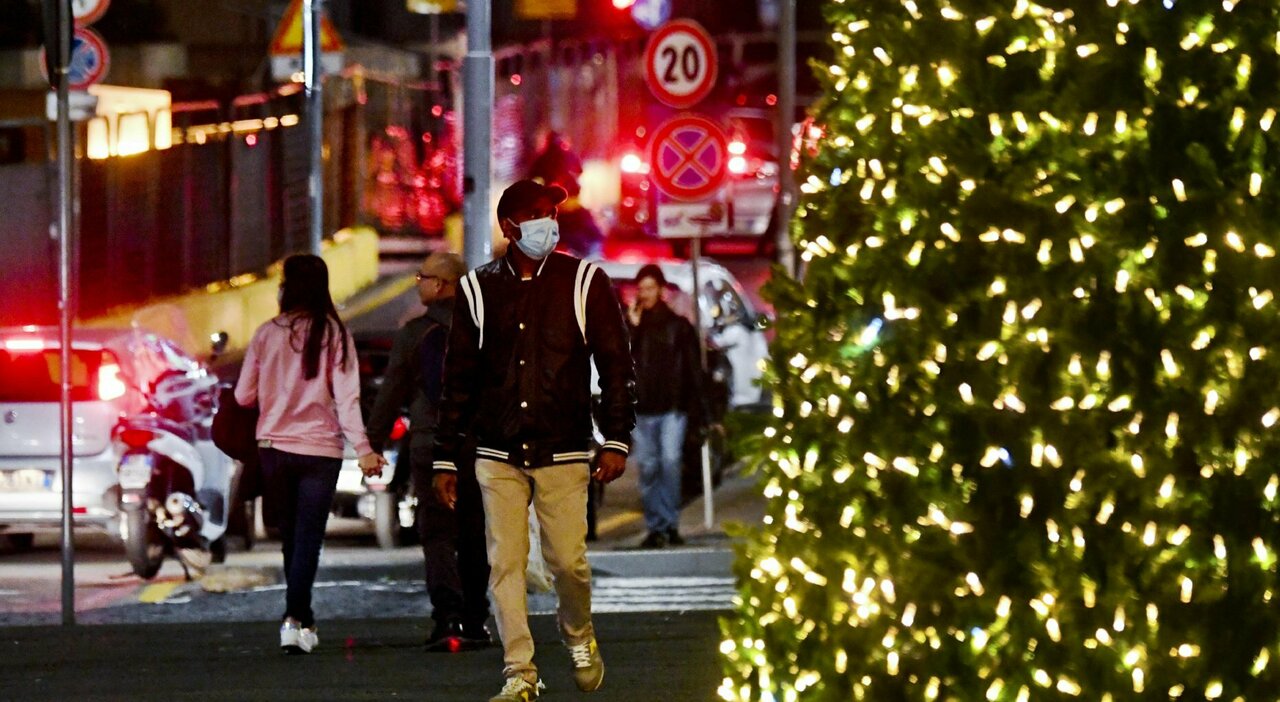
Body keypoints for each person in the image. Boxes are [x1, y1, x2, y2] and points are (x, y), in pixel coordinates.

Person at [432, 179, 636, 702]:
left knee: (569, 561)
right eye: (539, 215)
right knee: (505, 564)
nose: (551, 224)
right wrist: (444, 456)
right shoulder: (477, 289)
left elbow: (615, 365)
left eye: (553, 213)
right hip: (496, 451)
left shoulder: (584, 281)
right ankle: (519, 671)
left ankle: (579, 636)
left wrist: (616, 439)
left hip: (564, 447)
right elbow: (457, 378)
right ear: (509, 227)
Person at [235, 254, 387, 655]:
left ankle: (298, 618)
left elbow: (242, 396)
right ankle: (296, 617)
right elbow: (348, 399)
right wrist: (365, 449)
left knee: (291, 538)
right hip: (320, 450)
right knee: (308, 539)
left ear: (286, 287)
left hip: (274, 449)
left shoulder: (267, 334)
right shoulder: (334, 333)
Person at [365, 251, 493, 652]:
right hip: (477, 447)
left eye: (421, 277)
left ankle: (447, 617)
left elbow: (392, 394)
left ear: (440, 284)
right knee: (474, 533)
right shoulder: (484, 330)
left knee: (437, 534)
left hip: (429, 445)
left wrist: (372, 444)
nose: (417, 283)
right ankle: (475, 619)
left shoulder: (415, 334)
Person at [626, 264, 705, 548]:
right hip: (642, 408)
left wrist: (698, 410)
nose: (644, 294)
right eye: (641, 289)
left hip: (672, 406)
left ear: (661, 290)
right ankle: (656, 526)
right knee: (648, 467)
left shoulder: (678, 326)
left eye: (650, 288)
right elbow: (621, 363)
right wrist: (633, 330)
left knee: (669, 463)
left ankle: (669, 524)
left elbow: (693, 370)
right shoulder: (633, 325)